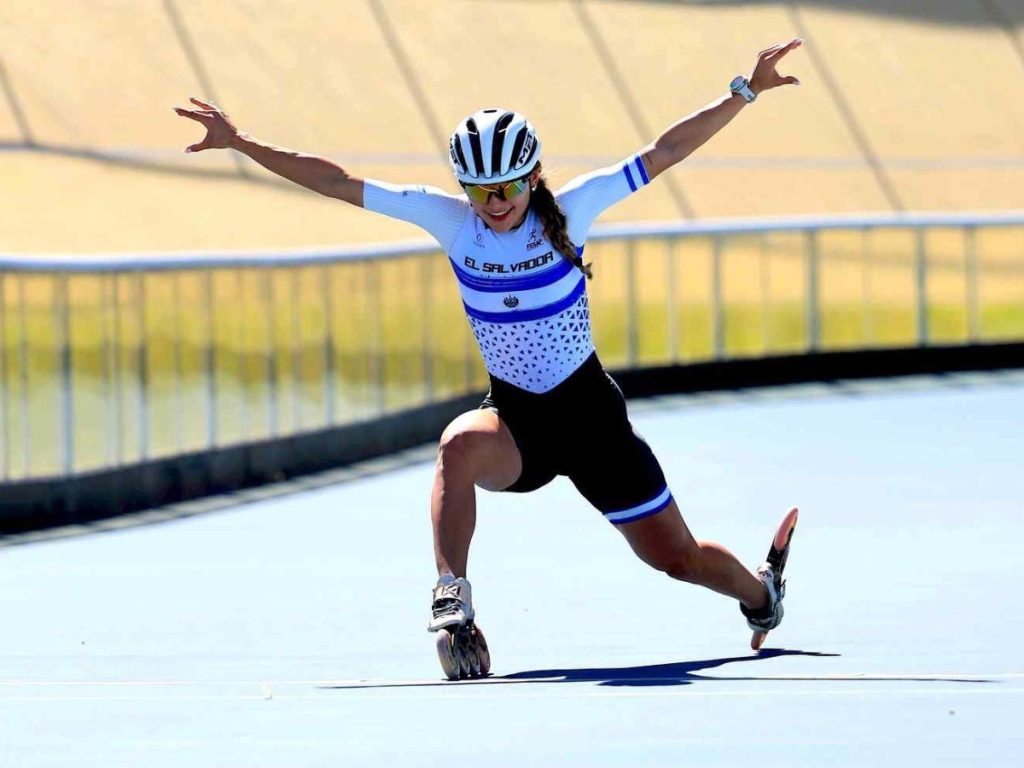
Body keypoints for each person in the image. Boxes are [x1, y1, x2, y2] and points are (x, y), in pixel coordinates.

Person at [175, 39, 803, 657]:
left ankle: (760, 592)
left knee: (678, 560)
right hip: (518, 422)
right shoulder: (451, 222)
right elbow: (337, 181)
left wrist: (743, 92)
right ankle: (452, 593)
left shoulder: (575, 209)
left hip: (591, 422)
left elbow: (664, 151)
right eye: (479, 192)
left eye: (505, 190)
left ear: (532, 178)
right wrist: (242, 143)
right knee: (456, 444)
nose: (493, 205)